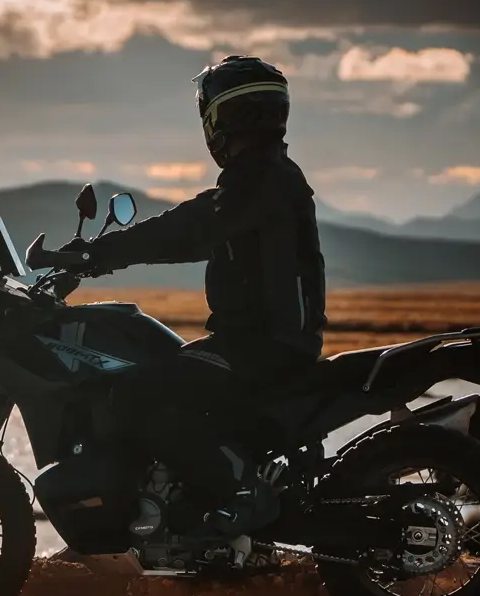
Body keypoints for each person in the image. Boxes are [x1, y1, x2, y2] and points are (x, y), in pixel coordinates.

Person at [67, 55, 326, 546]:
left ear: (222, 117)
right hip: (263, 343)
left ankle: (241, 492)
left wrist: (101, 253)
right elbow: (193, 234)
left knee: (134, 394)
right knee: (163, 377)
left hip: (260, 347)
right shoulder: (263, 178)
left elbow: (192, 226)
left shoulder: (260, 179)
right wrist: (104, 257)